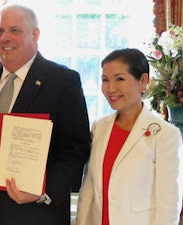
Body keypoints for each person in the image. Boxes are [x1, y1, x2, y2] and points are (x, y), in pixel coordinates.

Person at [0, 4, 91, 225]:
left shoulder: (63, 81)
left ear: (35, 34)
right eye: (0, 31)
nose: (5, 38)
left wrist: (42, 191)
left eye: (14, 30)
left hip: (37, 214)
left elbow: (76, 149)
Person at [75, 48, 183, 225]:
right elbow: (89, 189)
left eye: (120, 79)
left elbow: (169, 202)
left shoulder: (166, 135)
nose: (111, 88)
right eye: (105, 80)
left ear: (143, 81)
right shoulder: (99, 127)